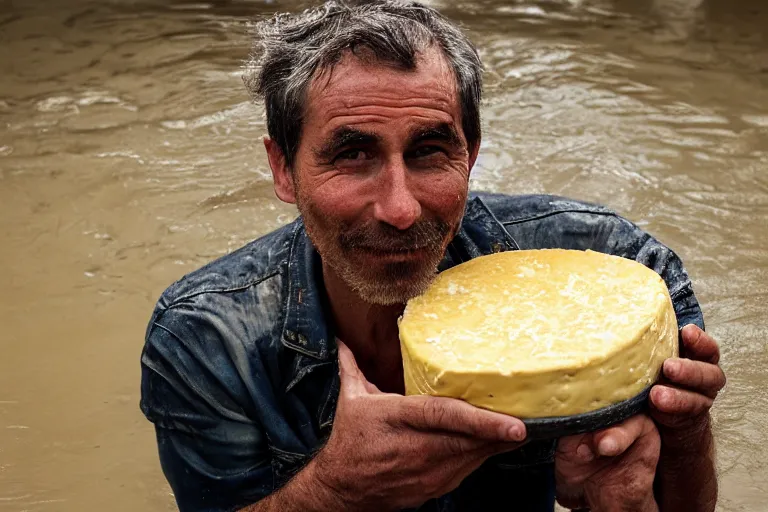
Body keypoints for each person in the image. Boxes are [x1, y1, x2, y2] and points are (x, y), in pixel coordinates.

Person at [139, 2, 725, 511]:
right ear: (282, 169)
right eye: (352, 155)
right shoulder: (207, 340)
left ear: (469, 155)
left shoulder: (615, 280)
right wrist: (336, 493)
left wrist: (680, 439)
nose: (400, 209)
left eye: (429, 151)